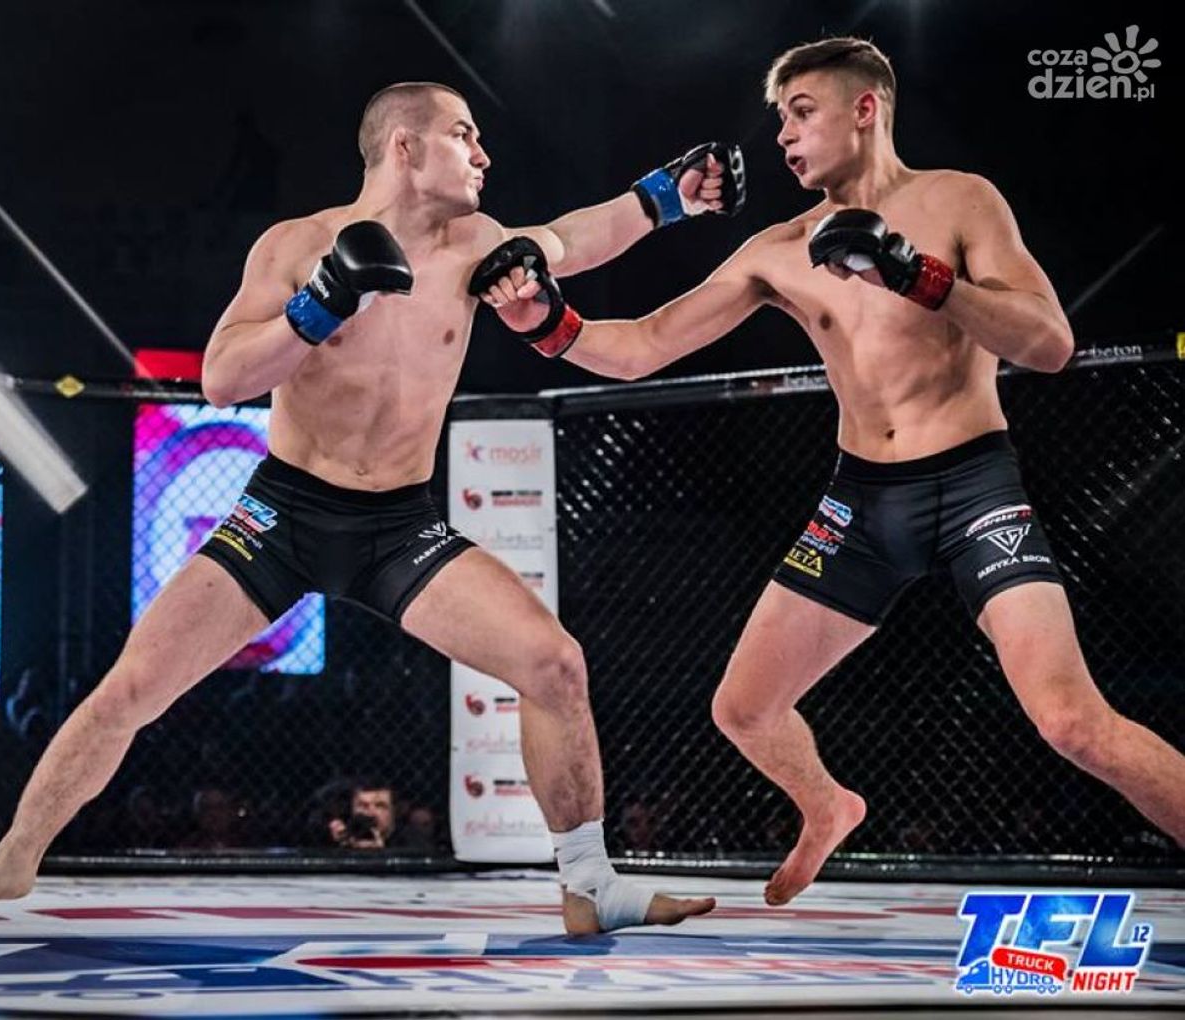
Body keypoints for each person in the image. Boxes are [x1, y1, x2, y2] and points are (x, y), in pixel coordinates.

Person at [0, 80, 744, 932]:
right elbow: (221, 379)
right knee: (132, 687)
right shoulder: (298, 244)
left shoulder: (477, 245)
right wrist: (318, 308)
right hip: (284, 515)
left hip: (401, 525)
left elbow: (572, 237)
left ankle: (589, 886)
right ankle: (13, 858)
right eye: (463, 135)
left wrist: (668, 198)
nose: (484, 154)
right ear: (405, 147)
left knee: (555, 665)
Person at [474, 37, 1185, 906]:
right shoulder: (779, 249)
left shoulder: (959, 200)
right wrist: (548, 324)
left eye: (801, 113)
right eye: (780, 119)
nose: (782, 135)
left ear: (865, 109)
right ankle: (828, 803)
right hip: (861, 501)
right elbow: (642, 348)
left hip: (974, 488)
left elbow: (1050, 343)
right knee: (743, 709)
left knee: (1072, 721)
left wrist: (918, 277)